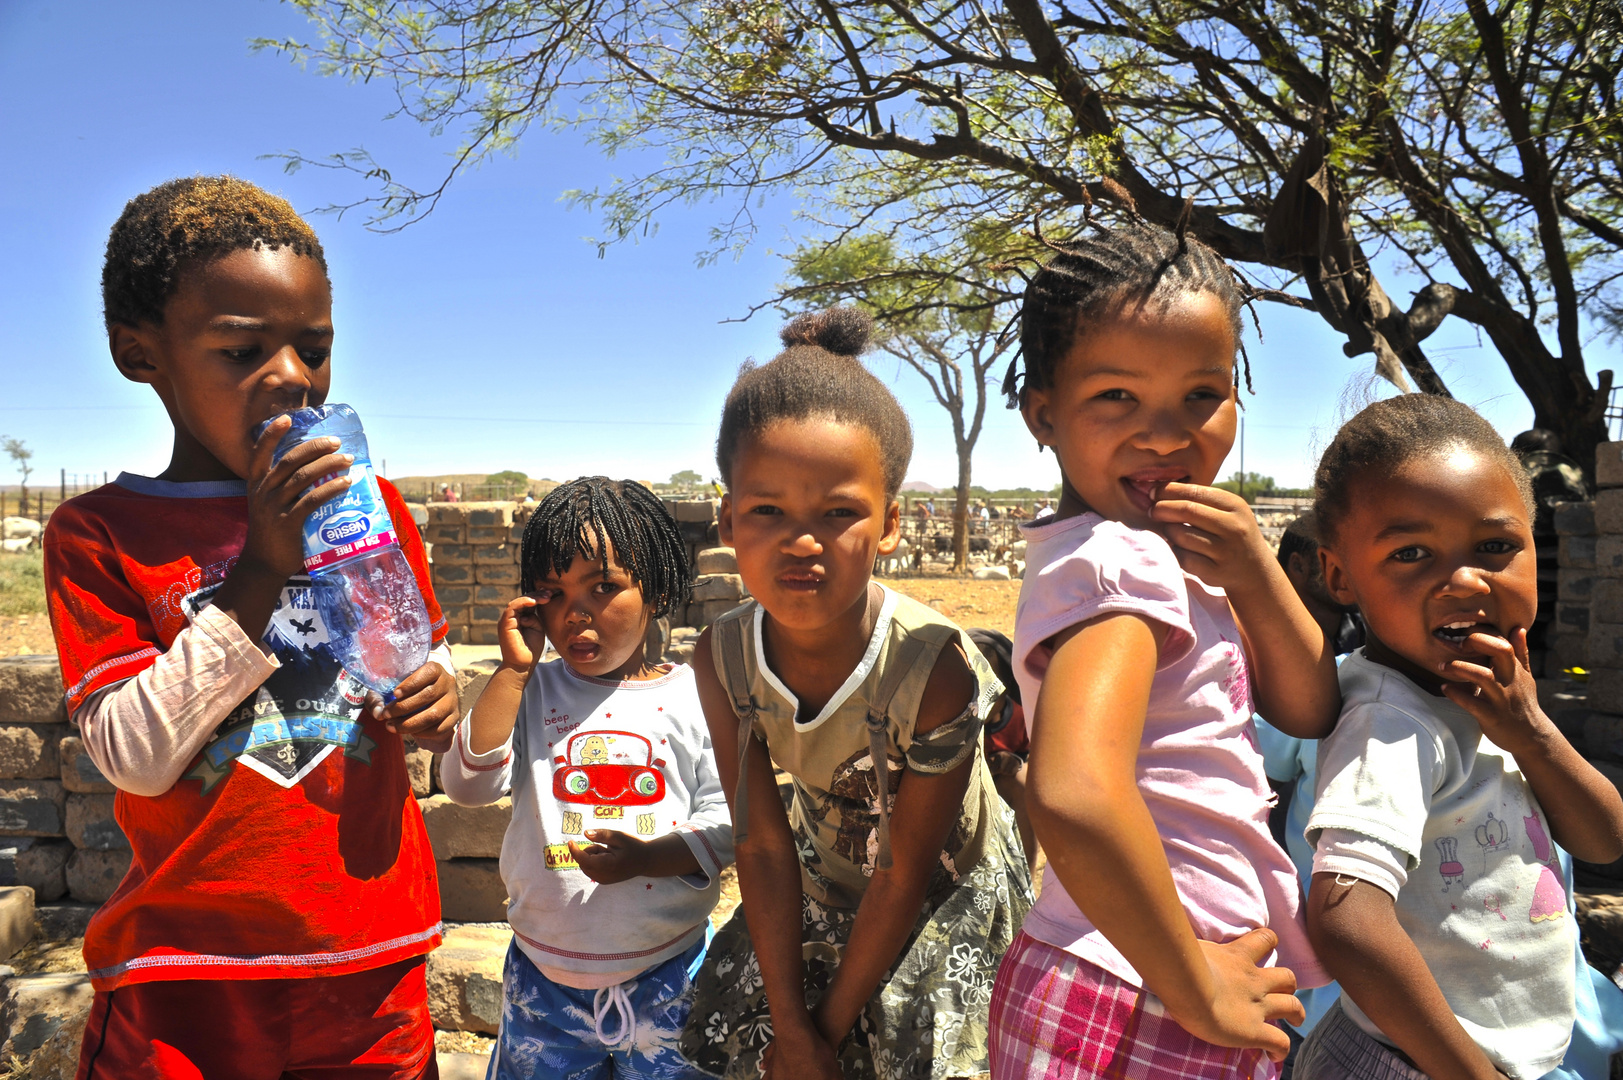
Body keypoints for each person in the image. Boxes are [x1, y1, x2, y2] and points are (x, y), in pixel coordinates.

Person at [44, 176, 458, 1079]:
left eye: (314, 349)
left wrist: (433, 695)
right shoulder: (100, 537)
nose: (291, 380)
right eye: (241, 351)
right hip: (187, 975)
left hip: (369, 955)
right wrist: (262, 569)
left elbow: (405, 665)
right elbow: (133, 755)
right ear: (140, 354)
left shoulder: (369, 507)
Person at [988, 216, 1339, 1079]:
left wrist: (1254, 571)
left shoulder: (1142, 558)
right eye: (1116, 397)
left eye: (1200, 396)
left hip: (1118, 975)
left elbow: (1306, 706)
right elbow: (1072, 793)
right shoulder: (1123, 559)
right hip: (1146, 990)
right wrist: (1192, 985)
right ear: (1043, 415)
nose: (1165, 435)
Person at [678, 308, 1032, 1079]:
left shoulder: (930, 669)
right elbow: (761, 844)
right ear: (729, 521)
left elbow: (906, 872)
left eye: (838, 513)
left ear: (891, 523)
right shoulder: (724, 657)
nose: (801, 541)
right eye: (767, 511)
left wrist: (821, 1033)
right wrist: (791, 1025)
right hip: (818, 871)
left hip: (941, 886)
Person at [1299, 394, 1623, 1080]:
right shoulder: (1391, 720)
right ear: (1339, 576)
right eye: (1410, 552)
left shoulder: (1483, 693)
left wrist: (1529, 728)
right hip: (1415, 1063)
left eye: (1495, 546)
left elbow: (1602, 841)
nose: (1465, 580)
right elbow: (1345, 920)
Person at [442, 477, 732, 1080]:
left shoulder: (696, 696)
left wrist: (650, 858)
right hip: (542, 987)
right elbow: (468, 785)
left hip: (669, 979)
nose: (575, 613)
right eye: (553, 592)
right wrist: (511, 674)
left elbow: (727, 819)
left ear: (653, 590)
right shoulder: (532, 691)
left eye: (603, 587)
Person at [1251, 513, 1363, 1056]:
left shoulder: (1355, 643)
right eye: (1327, 559)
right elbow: (1268, 790)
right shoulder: (1266, 648)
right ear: (1299, 566)